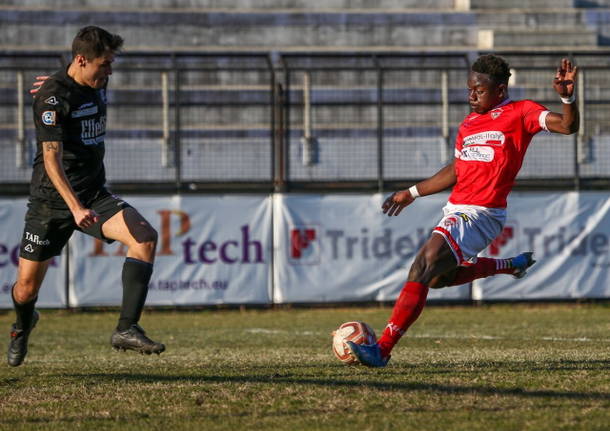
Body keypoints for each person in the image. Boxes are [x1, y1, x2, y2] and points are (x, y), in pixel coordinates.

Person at [348, 54, 579, 367]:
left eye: (479, 90)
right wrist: (412, 192)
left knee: (423, 265)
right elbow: (455, 170)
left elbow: (568, 126)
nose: (471, 95)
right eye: (469, 89)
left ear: (499, 89)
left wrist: (566, 97)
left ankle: (382, 350)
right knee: (436, 280)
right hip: (456, 210)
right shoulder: (468, 124)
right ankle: (508, 265)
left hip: (481, 212)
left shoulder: (520, 112)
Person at [7, 26, 165, 367]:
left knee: (145, 237)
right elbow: (50, 159)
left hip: (94, 195)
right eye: (105, 64)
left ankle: (126, 328)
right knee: (25, 291)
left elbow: (73, 79)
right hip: (52, 203)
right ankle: (22, 325)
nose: (109, 71)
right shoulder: (51, 99)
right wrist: (75, 207)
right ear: (82, 59)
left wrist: (84, 203)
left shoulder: (95, 81)